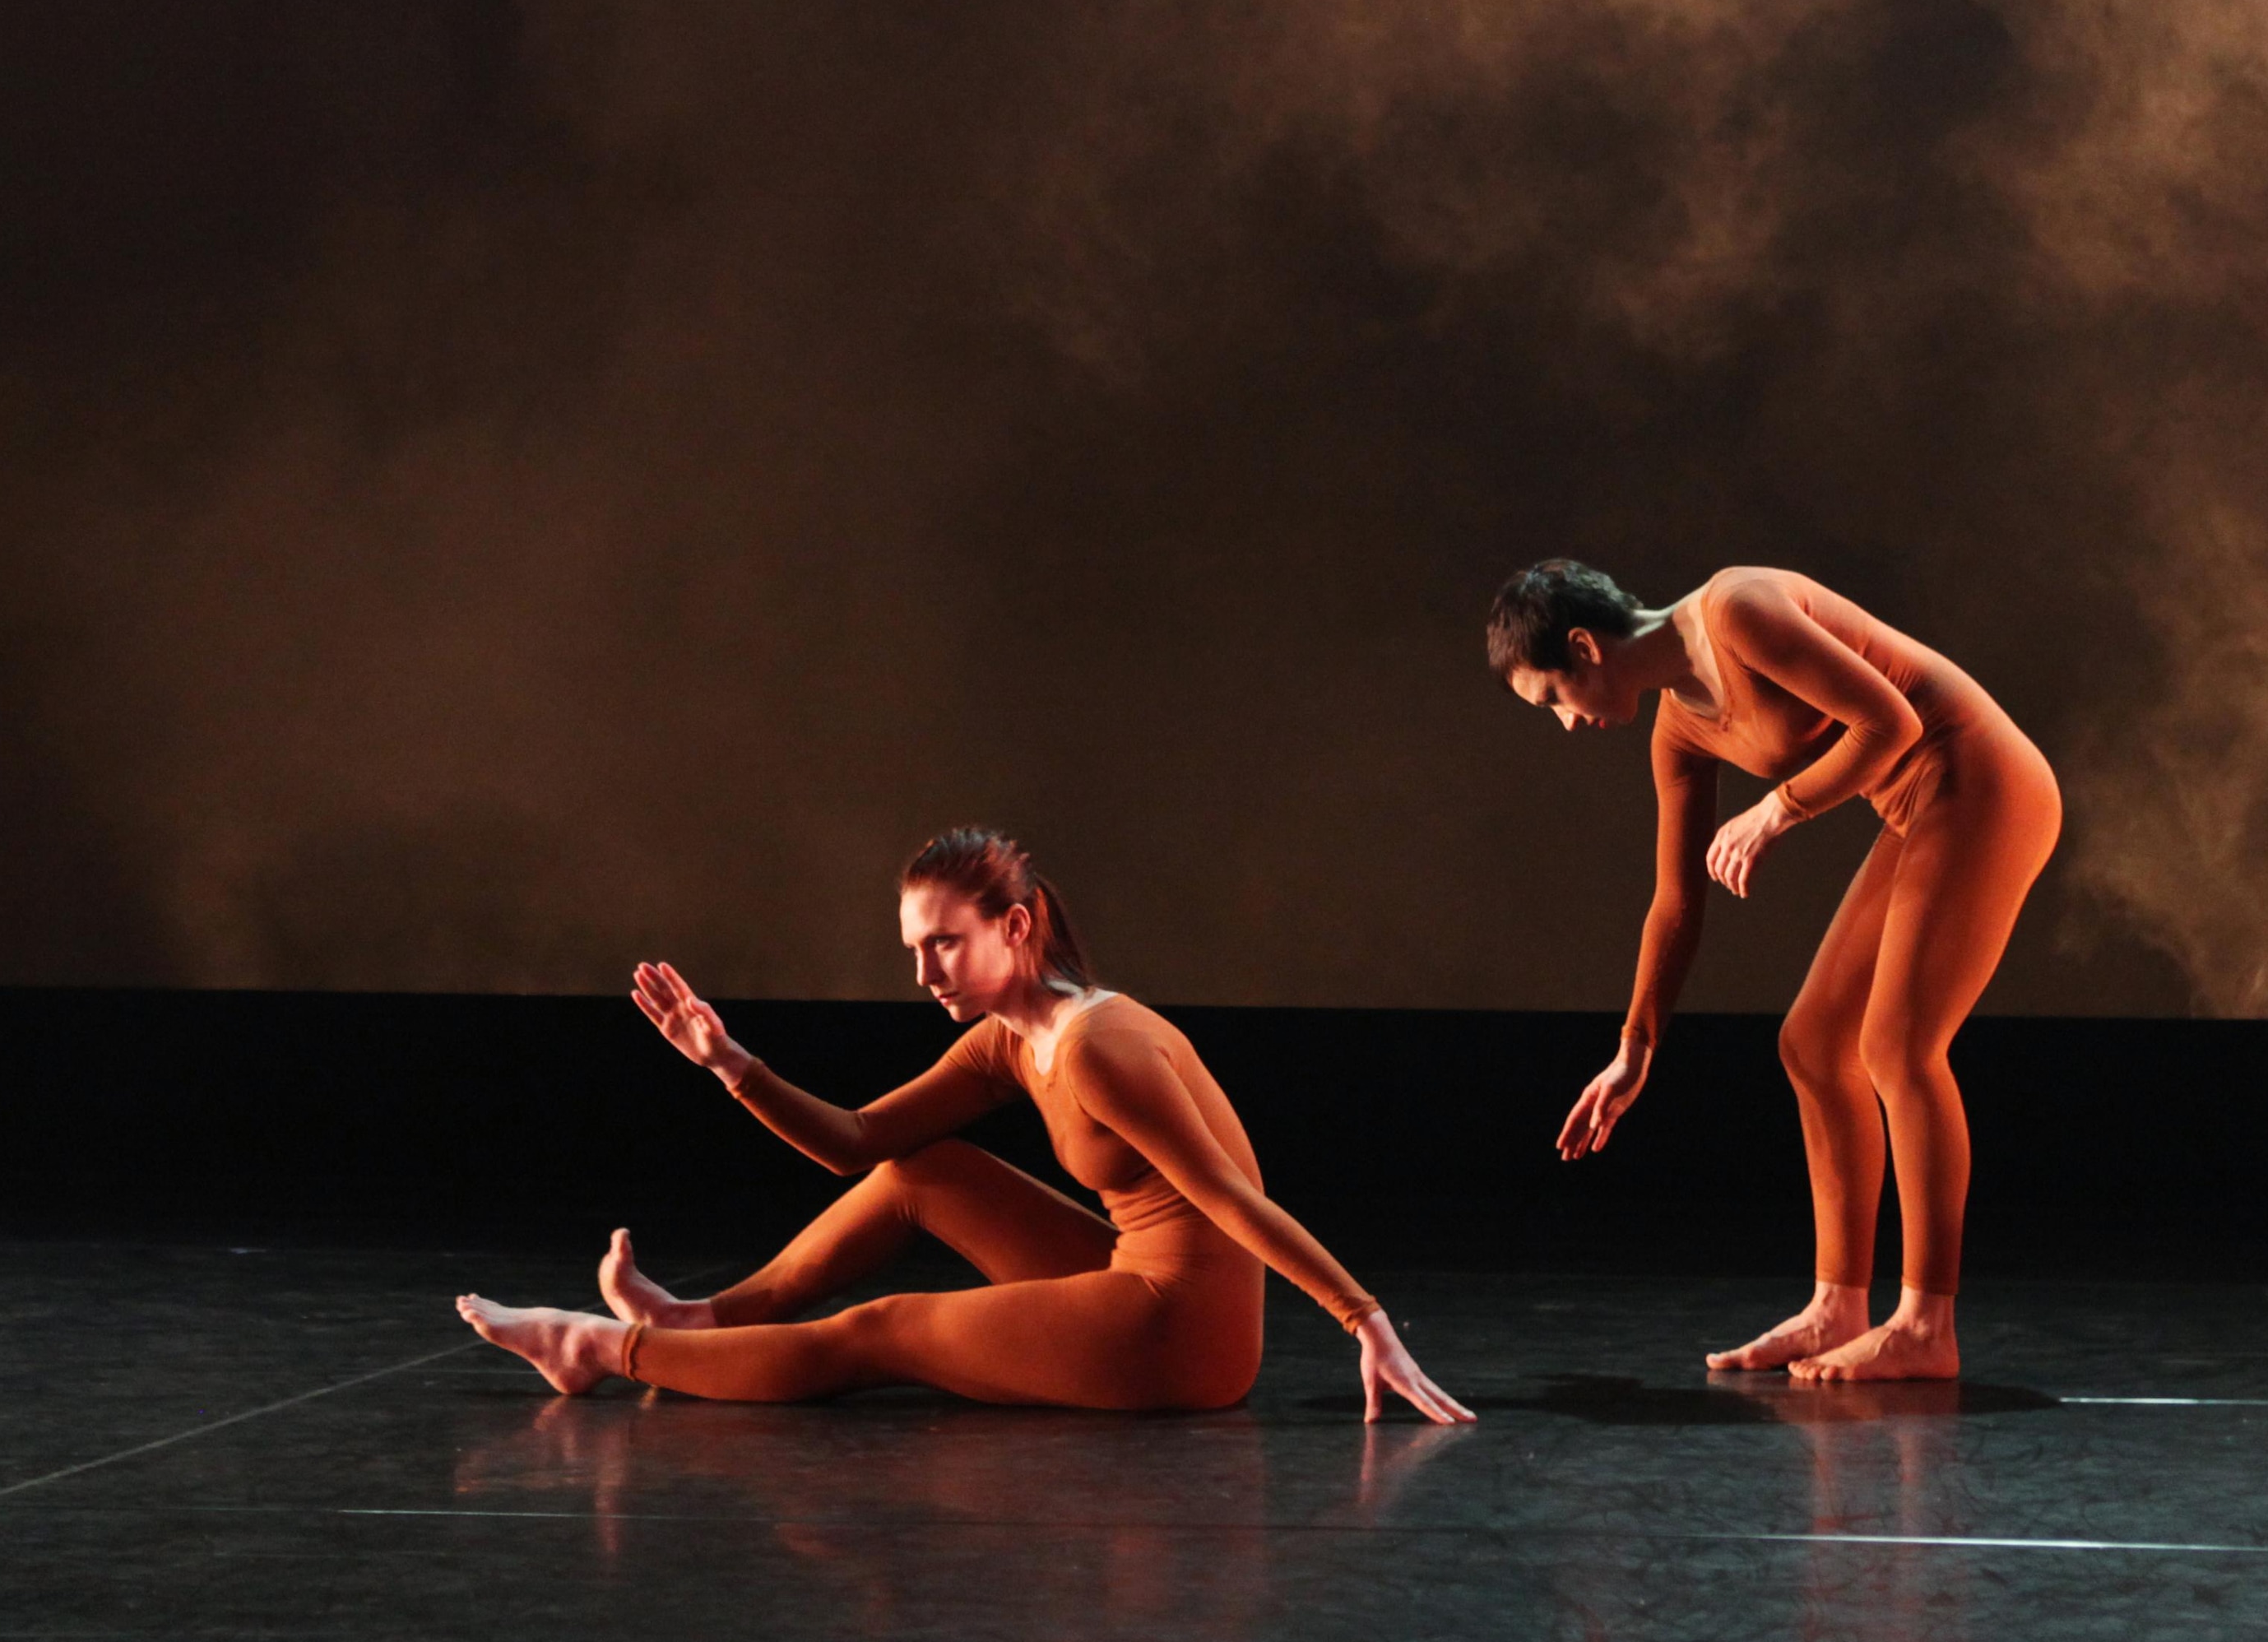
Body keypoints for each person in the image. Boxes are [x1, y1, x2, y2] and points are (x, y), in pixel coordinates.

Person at [457, 827, 1472, 1424]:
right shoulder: (1008, 1037)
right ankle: (697, 1321)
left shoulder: (1095, 1048)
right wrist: (729, 1063)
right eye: (914, 946)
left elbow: (1230, 1199)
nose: (923, 972)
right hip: (1134, 1274)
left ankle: (594, 1347)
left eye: (944, 943)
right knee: (920, 1171)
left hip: (1182, 1338)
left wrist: (1363, 1319)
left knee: (884, 1328)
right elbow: (860, 1141)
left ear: (1016, 927)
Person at [1489, 560, 2062, 1382]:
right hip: (1918, 808)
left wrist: (1779, 808)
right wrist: (1635, 1047)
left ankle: (1925, 1323)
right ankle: (1838, 1303)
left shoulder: (1735, 607)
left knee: (1898, 1047)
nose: (1566, 722)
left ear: (1583, 646)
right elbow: (1675, 901)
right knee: (1813, 1043)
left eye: (1552, 698)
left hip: (1981, 776)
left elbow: (1891, 723)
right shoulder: (1677, 731)